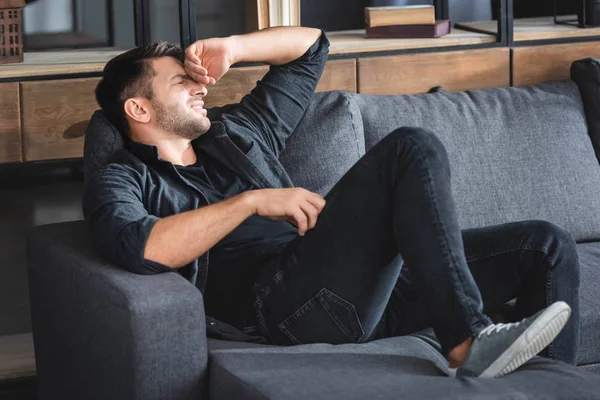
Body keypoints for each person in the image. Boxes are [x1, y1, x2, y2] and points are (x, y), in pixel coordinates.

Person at [83, 27, 580, 378]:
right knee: (412, 146)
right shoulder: (126, 177)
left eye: (194, 79)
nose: (199, 88)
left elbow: (311, 48)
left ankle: (550, 387)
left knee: (547, 245)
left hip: (357, 292)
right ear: (138, 108)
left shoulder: (237, 133)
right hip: (283, 307)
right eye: (180, 82)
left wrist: (232, 47)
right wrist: (251, 202)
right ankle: (466, 339)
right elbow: (139, 245)